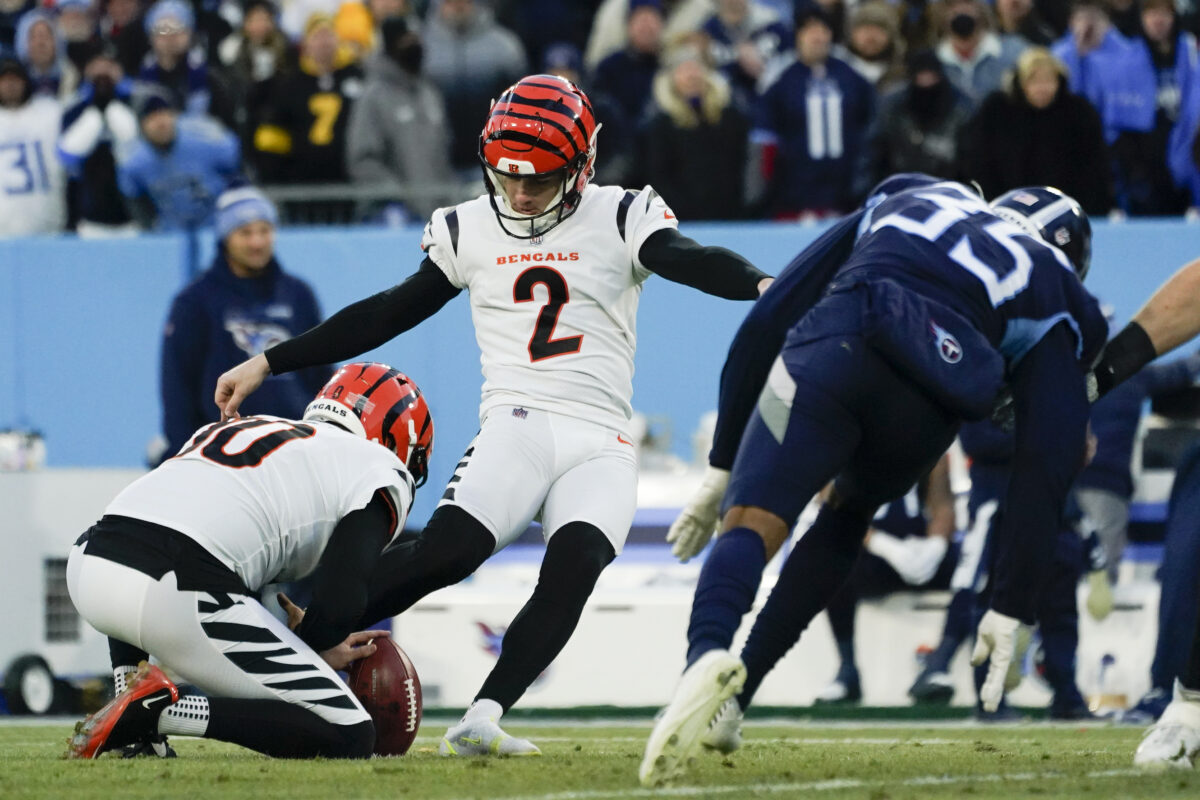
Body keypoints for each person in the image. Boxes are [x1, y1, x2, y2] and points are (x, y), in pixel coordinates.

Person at [214, 74, 772, 757]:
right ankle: (281, 640)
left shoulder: (620, 214)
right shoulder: (469, 227)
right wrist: (270, 361)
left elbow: (690, 259)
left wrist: (766, 286)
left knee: (576, 567)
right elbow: (387, 312)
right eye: (508, 178)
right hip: (519, 421)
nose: (519, 194)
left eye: (538, 180)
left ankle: (482, 715)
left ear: (582, 165)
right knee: (449, 553)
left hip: (603, 436)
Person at [640, 174, 1106, 786]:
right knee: (846, 515)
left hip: (837, 341)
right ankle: (738, 694)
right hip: (931, 399)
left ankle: (705, 659)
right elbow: (1048, 461)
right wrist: (1011, 603)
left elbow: (774, 311)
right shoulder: (1060, 294)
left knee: (752, 518)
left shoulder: (914, 195)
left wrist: (723, 465)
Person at [66, 362, 433, 760]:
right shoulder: (380, 469)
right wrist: (314, 645)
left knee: (149, 541)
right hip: (175, 586)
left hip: (89, 562)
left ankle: (129, 698)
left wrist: (301, 647)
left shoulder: (249, 427)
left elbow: (160, 518)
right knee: (351, 732)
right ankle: (160, 714)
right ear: (399, 441)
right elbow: (342, 594)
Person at [1084, 255, 1200, 769]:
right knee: (1190, 551)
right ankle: (1188, 699)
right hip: (1092, 486)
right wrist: (1101, 372)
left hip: (1098, 487)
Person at [158, 186, 329, 462]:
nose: (257, 242)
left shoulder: (298, 295)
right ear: (226, 238)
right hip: (224, 455)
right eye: (245, 233)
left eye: (264, 230)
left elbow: (321, 375)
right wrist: (184, 455)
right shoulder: (194, 302)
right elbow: (178, 388)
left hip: (294, 450)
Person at [813, 456, 957, 705]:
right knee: (832, 561)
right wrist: (882, 545)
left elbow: (942, 502)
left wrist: (936, 545)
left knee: (974, 569)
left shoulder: (930, 431)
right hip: (869, 550)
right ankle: (847, 671)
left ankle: (939, 664)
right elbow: (831, 500)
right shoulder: (850, 433)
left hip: (917, 546)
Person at [749, 1, 876, 218]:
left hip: (845, 192)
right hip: (794, 193)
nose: (817, 37)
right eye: (809, 30)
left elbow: (870, 127)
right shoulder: (780, 77)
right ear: (798, 35)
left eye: (823, 30)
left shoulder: (852, 74)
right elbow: (765, 139)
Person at [960, 46, 1113, 214]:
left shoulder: (1079, 113)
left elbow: (1095, 166)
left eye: (1048, 80)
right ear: (1021, 82)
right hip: (1005, 209)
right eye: (1034, 81)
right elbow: (981, 160)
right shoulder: (997, 110)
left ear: (1059, 81)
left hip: (1066, 211)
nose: (1042, 88)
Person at [345, 15, 457, 222]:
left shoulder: (430, 93)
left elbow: (443, 153)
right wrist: (397, 199)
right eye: (407, 39)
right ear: (392, 45)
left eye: (417, 38)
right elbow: (364, 159)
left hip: (438, 217)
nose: (415, 44)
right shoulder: (373, 96)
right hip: (395, 217)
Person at [117, 85, 240, 230]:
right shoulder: (134, 160)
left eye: (164, 113)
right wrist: (150, 228)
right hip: (171, 233)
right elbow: (134, 198)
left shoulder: (206, 139)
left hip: (217, 227)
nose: (161, 122)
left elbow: (238, 174)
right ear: (141, 125)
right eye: (152, 117)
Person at [57, 42, 140, 236]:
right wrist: (94, 116)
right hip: (88, 215)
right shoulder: (74, 107)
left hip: (132, 214)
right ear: (87, 69)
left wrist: (113, 111)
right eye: (98, 65)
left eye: (109, 65)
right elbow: (66, 155)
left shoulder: (136, 101)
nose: (103, 71)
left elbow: (138, 150)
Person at [0, 55, 66, 237]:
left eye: (15, 79)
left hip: (46, 226)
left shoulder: (49, 112)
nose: (10, 85)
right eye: (4, 80)